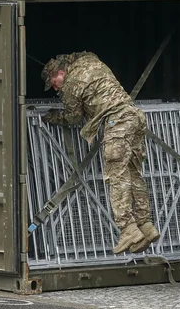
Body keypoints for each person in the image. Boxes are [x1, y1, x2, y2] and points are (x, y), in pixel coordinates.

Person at [40, 52, 159, 254]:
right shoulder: (89, 61)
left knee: (116, 176)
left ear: (61, 72)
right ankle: (146, 226)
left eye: (54, 82)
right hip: (134, 117)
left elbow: (73, 117)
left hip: (118, 122)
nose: (55, 87)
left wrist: (52, 117)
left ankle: (128, 229)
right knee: (133, 174)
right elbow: (85, 53)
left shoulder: (71, 85)